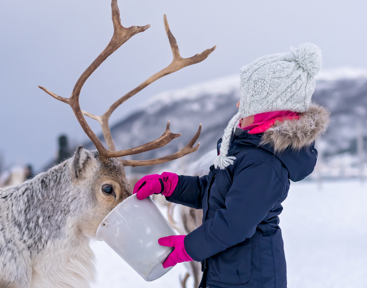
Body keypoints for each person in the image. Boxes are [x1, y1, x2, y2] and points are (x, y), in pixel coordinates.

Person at [133, 43, 330, 288]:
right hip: (231, 274)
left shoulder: (265, 164)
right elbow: (213, 193)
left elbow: (234, 225)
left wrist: (188, 247)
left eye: (247, 100)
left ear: (267, 109)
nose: (239, 105)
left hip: (251, 280)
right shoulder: (247, 150)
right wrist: (170, 185)